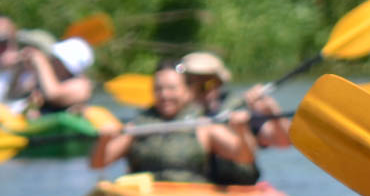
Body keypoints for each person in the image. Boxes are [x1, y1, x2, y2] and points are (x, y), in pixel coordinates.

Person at [87, 62, 262, 185]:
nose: (164, 95)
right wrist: (104, 140)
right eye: (159, 89)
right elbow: (98, 164)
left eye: (172, 88)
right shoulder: (138, 127)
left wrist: (241, 130)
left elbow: (244, 157)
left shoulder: (204, 126)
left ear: (187, 92)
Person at [0, 36, 94, 124]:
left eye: (57, 60)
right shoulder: (42, 77)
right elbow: (11, 96)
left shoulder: (82, 86)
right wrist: (16, 68)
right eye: (53, 58)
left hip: (60, 129)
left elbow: (53, 94)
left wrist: (40, 62)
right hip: (28, 123)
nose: (52, 61)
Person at [178, 50, 290, 149]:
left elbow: (282, 142)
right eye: (191, 83)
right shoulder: (173, 113)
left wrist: (271, 111)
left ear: (219, 83)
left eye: (208, 84)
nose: (204, 91)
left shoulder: (238, 109)